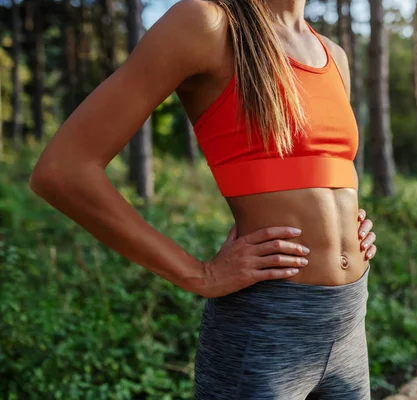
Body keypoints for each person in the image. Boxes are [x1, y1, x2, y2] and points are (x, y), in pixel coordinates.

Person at [29, 0, 379, 398]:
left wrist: (351, 226)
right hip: (265, 329)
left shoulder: (334, 55)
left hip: (349, 322)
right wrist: (198, 273)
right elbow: (62, 171)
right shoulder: (207, 24)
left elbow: (323, 174)